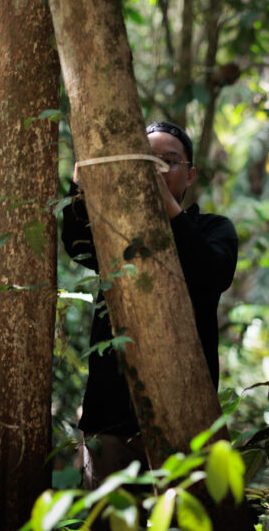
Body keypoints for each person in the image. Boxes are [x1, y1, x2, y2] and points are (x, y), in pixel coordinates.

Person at [62, 121, 238, 488]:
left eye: (168, 162)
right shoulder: (115, 229)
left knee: (183, 520)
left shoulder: (213, 228)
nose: (155, 170)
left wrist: (168, 208)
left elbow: (213, 273)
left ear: (190, 175)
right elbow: (78, 245)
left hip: (185, 419)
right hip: (111, 415)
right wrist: (80, 186)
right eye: (146, 161)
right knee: (109, 521)